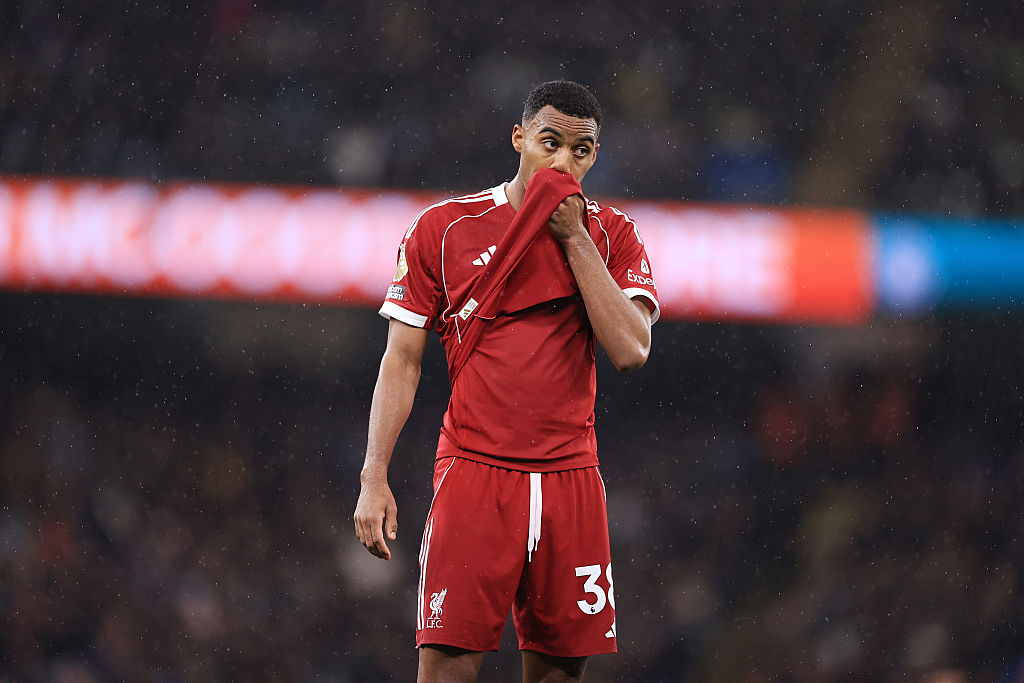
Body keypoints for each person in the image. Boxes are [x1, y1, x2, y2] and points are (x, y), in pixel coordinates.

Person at [353, 80, 660, 683]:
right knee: (445, 670)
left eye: (581, 151)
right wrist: (373, 475)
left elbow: (630, 350)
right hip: (474, 472)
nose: (563, 162)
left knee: (558, 674)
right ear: (519, 139)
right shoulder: (444, 229)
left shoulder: (612, 235)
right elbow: (402, 362)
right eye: (550, 142)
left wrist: (571, 236)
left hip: (570, 477)